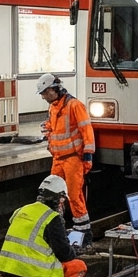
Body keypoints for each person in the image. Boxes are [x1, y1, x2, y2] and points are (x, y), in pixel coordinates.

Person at [0, 175, 88, 277]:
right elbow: (64, 254)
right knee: (78, 266)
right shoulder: (52, 217)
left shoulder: (21, 210)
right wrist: (74, 250)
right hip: (31, 276)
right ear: (60, 198)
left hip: (6, 272)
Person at [36, 73, 96, 231]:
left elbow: (87, 131)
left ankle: (83, 230)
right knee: (52, 193)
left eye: (44, 93)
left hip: (73, 159)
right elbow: (54, 127)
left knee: (74, 195)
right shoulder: (53, 107)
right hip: (58, 159)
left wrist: (88, 155)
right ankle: (57, 228)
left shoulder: (74, 105)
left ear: (53, 89)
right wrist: (47, 129)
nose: (43, 97)